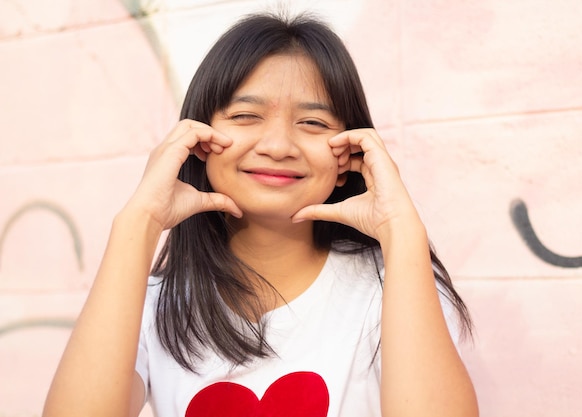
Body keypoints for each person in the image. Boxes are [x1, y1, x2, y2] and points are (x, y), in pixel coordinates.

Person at [43, 11, 478, 417]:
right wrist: (138, 223)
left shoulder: (395, 285)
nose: (277, 145)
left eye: (313, 124)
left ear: (349, 156)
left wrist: (401, 231)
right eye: (246, 116)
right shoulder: (149, 302)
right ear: (197, 140)